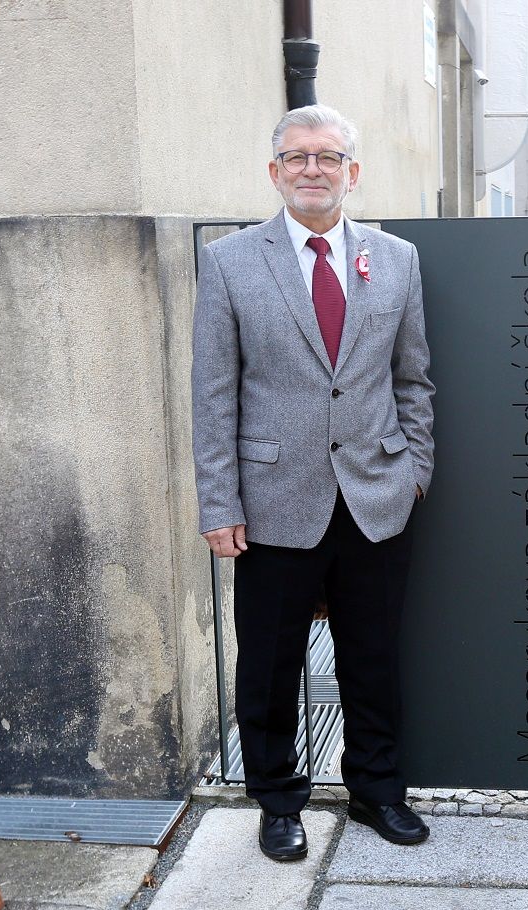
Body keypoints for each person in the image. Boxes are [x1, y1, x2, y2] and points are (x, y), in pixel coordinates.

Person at [192, 104, 435, 859]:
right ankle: (277, 799)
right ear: (275, 172)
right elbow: (212, 393)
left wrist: (416, 471)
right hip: (272, 502)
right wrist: (219, 501)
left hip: (374, 495)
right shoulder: (231, 262)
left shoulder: (397, 259)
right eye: (296, 158)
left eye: (327, 157)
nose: (311, 169)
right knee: (269, 661)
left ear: (351, 173)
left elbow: (414, 378)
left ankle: (376, 789)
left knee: (373, 655)